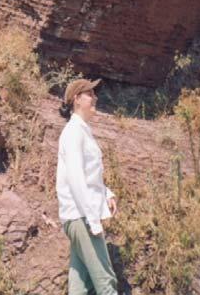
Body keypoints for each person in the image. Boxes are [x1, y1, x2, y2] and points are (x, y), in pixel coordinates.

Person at [56, 78, 119, 295]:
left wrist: (107, 194)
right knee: (106, 282)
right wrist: (93, 220)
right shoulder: (73, 132)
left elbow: (89, 176)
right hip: (81, 217)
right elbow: (75, 179)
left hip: (78, 216)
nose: (95, 98)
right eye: (90, 94)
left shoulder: (82, 131)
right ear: (76, 99)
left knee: (79, 288)